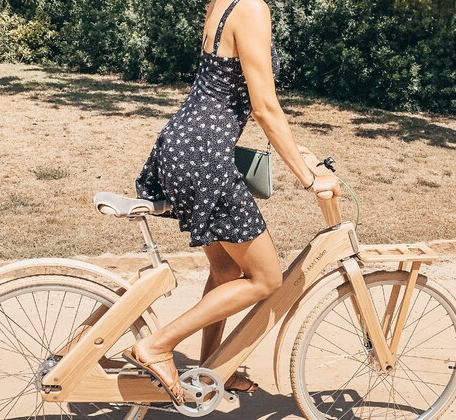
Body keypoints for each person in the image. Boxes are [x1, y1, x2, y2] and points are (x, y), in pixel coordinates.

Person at [125, 0, 341, 405]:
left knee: (225, 270)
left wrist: (298, 150)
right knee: (265, 279)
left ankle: (213, 368)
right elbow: (264, 107)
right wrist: (309, 178)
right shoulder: (252, 7)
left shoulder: (222, 3)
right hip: (204, 155)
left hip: (182, 144)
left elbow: (226, 90)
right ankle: (158, 345)